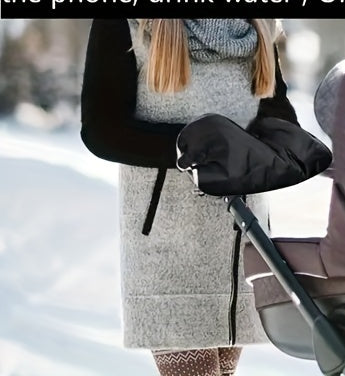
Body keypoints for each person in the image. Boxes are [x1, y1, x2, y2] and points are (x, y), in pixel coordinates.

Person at [80, 19, 315, 376]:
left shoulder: (255, 23)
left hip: (242, 240)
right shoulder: (127, 20)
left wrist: (283, 148)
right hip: (169, 247)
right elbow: (101, 128)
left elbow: (275, 110)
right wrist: (188, 147)